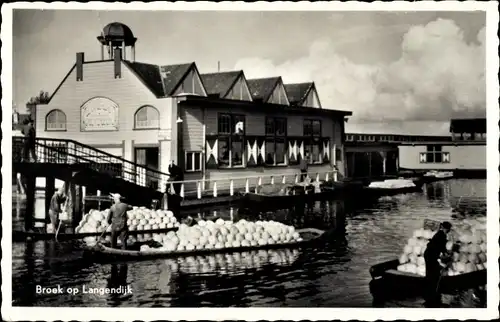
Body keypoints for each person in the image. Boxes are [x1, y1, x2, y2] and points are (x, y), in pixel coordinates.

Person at [423, 221, 452, 307]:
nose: (448, 231)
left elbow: (438, 245)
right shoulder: (441, 235)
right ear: (445, 228)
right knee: (433, 273)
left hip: (429, 255)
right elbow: (442, 248)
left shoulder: (439, 234)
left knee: (430, 272)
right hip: (430, 256)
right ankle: (432, 295)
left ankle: (429, 293)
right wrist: (447, 254)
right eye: (448, 229)